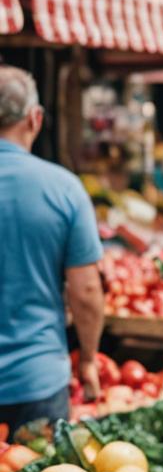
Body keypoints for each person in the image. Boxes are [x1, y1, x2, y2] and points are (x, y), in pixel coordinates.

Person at [0, 66, 104, 433]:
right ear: (35, 118)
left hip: (36, 380)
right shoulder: (64, 189)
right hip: (35, 379)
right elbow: (87, 291)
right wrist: (88, 358)